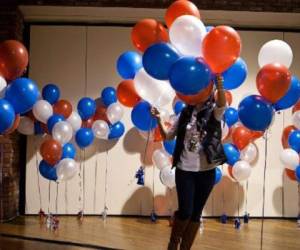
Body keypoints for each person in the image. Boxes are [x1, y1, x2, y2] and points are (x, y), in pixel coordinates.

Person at [151, 76, 227, 250]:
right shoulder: (184, 113)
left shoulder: (213, 112)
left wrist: (219, 85)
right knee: (185, 211)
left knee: (196, 213)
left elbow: (221, 104)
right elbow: (168, 136)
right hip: (185, 169)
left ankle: (185, 247)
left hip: (206, 171)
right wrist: (158, 119)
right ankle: (173, 243)